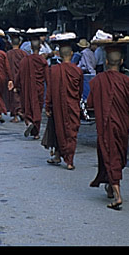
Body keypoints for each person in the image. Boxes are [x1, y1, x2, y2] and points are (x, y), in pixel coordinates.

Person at [88, 46, 129, 210]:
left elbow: (90, 104)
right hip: (122, 127)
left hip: (105, 126)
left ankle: (117, 194)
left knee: (109, 155)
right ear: (122, 62)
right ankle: (111, 187)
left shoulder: (97, 81)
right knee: (115, 156)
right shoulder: (128, 81)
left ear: (105, 62)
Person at [44, 39, 83, 170]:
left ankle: (61, 155)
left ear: (59, 55)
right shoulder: (78, 71)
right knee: (71, 133)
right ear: (71, 54)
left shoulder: (54, 70)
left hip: (58, 105)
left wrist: (48, 106)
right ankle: (68, 160)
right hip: (73, 106)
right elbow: (80, 90)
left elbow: (49, 90)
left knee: (59, 129)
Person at [15, 35, 48, 140]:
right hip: (39, 88)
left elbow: (19, 74)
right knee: (37, 108)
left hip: (26, 88)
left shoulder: (24, 61)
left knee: (27, 107)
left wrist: (16, 85)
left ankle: (29, 122)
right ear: (40, 48)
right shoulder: (43, 61)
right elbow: (47, 77)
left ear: (30, 48)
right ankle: (36, 134)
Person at [5, 30, 27, 122]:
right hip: (21, 77)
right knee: (21, 95)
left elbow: (6, 66)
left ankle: (16, 116)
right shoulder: (23, 54)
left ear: (10, 42)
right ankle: (21, 111)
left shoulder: (8, 54)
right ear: (20, 42)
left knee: (14, 96)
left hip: (12, 77)